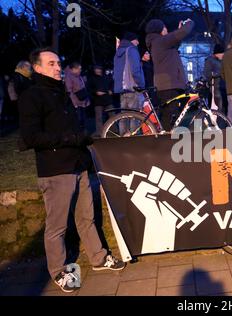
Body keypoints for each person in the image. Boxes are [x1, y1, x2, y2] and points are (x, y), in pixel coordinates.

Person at [18, 48, 125, 293]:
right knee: (57, 226)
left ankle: (98, 258)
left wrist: (81, 143)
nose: (58, 67)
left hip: (78, 165)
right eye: (52, 63)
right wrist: (69, 138)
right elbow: (31, 137)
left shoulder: (60, 92)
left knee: (87, 218)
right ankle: (58, 271)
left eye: (59, 62)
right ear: (38, 68)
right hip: (56, 171)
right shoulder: (31, 96)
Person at [145, 18, 194, 131]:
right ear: (160, 30)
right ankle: (167, 144)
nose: (167, 29)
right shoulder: (160, 41)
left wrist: (179, 30)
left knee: (173, 117)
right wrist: (189, 23)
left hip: (170, 84)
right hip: (169, 85)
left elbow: (175, 42)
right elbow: (182, 33)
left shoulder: (159, 43)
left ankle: (170, 141)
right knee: (170, 116)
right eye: (165, 27)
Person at [113, 32, 146, 134]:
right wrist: (141, 84)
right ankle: (134, 139)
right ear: (132, 40)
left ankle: (123, 138)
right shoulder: (132, 50)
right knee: (134, 116)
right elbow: (135, 70)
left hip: (121, 89)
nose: (138, 42)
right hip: (133, 88)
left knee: (124, 116)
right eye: (137, 40)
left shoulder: (118, 52)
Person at [64, 62, 90, 132]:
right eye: (79, 68)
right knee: (78, 120)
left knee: (83, 119)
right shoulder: (69, 77)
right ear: (73, 69)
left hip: (82, 101)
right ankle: (79, 135)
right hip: (76, 103)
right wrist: (74, 103)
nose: (80, 70)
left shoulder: (79, 76)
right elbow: (69, 91)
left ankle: (83, 134)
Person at [88, 65, 113, 137]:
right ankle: (99, 132)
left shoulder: (107, 77)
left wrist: (111, 90)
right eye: (96, 69)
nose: (97, 71)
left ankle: (114, 130)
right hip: (98, 100)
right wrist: (95, 92)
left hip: (107, 99)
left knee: (112, 115)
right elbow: (89, 89)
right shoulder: (92, 79)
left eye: (98, 69)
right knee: (99, 117)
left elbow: (112, 84)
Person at [203, 43, 225, 113]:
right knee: (216, 110)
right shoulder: (209, 61)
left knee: (221, 110)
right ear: (218, 53)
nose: (223, 55)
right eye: (222, 53)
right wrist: (220, 74)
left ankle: (221, 123)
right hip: (214, 90)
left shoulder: (221, 61)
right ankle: (213, 123)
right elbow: (207, 74)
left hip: (222, 88)